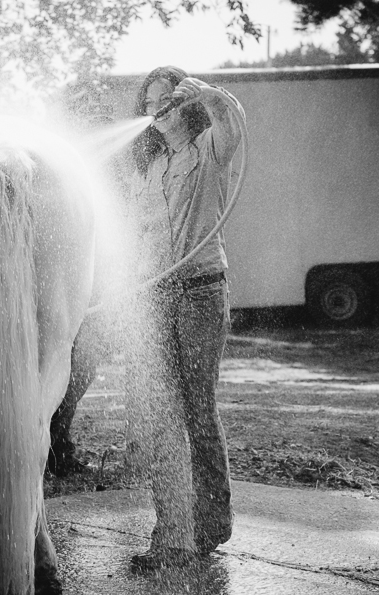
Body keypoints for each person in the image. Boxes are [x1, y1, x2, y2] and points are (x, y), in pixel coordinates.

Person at [124, 65, 245, 569]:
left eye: (167, 102)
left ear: (184, 106)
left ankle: (209, 527)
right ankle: (171, 532)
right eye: (150, 104)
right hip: (155, 294)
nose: (158, 112)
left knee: (197, 408)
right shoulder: (145, 167)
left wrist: (205, 92)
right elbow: (135, 234)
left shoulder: (211, 149)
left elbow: (233, 120)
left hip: (199, 290)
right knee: (160, 414)